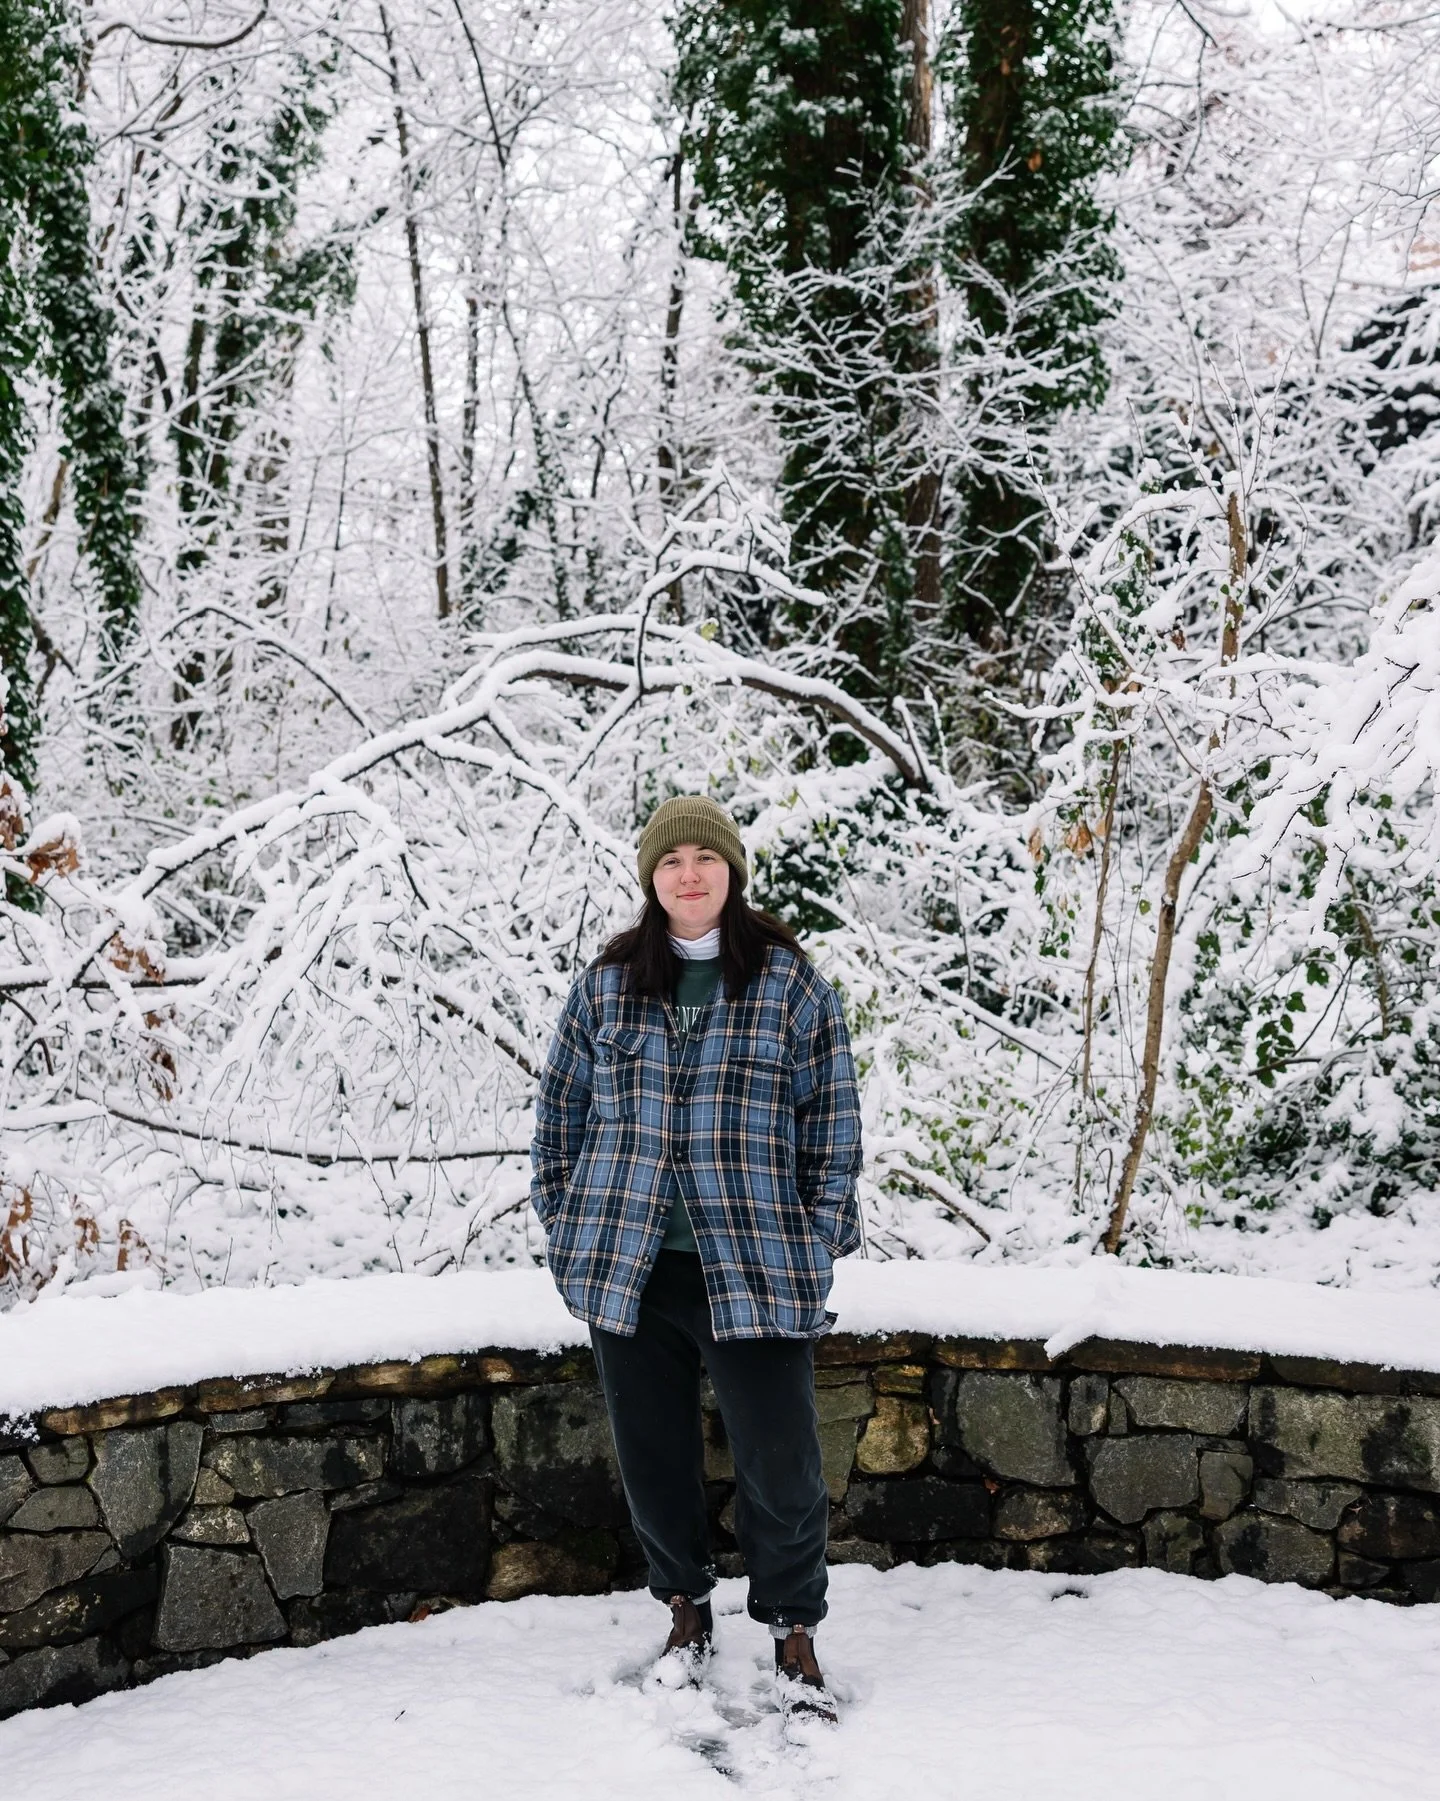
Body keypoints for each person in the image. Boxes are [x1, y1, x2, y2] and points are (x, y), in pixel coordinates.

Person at [530, 794, 863, 1721]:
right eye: (670, 860)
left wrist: (816, 1234)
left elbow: (832, 1123)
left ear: (731, 872)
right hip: (629, 1268)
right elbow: (560, 1116)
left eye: (704, 859)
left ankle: (793, 1630)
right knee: (654, 1459)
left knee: (781, 1461)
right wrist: (568, 1228)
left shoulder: (790, 985)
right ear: (651, 878)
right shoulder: (607, 987)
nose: (688, 874)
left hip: (756, 1265)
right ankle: (685, 1613)